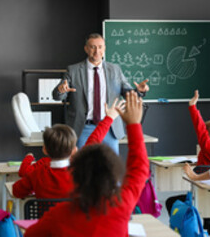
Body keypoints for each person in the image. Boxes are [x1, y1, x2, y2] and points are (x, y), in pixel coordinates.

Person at [24, 91, 149, 237]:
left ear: (75, 174)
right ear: (115, 177)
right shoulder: (121, 205)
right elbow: (140, 169)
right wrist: (133, 124)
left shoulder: (58, 215)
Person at [53, 33, 150, 153]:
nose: (96, 51)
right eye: (93, 47)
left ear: (104, 48)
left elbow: (127, 92)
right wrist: (60, 90)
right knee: (82, 167)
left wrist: (138, 91)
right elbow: (58, 96)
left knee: (111, 168)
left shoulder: (115, 69)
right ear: (86, 49)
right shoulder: (73, 70)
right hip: (83, 128)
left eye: (100, 47)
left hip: (110, 127)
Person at [12, 100, 122, 199]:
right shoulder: (81, 171)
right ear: (74, 150)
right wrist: (109, 118)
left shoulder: (37, 173)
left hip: (49, 221)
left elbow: (16, 191)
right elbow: (94, 140)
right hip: (77, 221)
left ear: (45, 149)